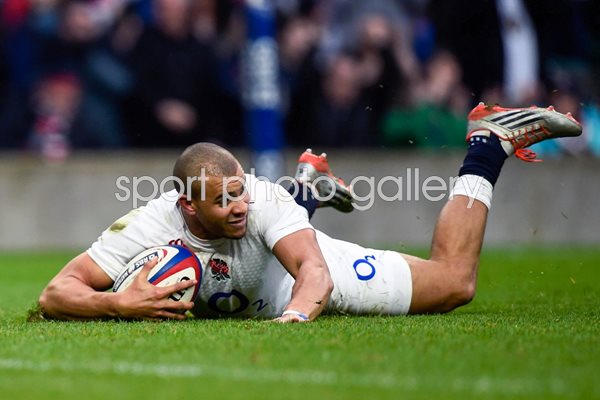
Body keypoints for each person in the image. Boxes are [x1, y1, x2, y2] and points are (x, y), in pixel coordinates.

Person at [38, 103, 582, 322]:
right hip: (247, 288)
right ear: (186, 206)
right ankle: (310, 188)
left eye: (239, 191)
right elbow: (55, 293)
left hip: (282, 280)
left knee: (455, 283)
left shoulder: (258, 199)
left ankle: (488, 143)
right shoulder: (150, 223)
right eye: (221, 200)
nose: (236, 205)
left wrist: (294, 319)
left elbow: (314, 272)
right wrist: (117, 304)